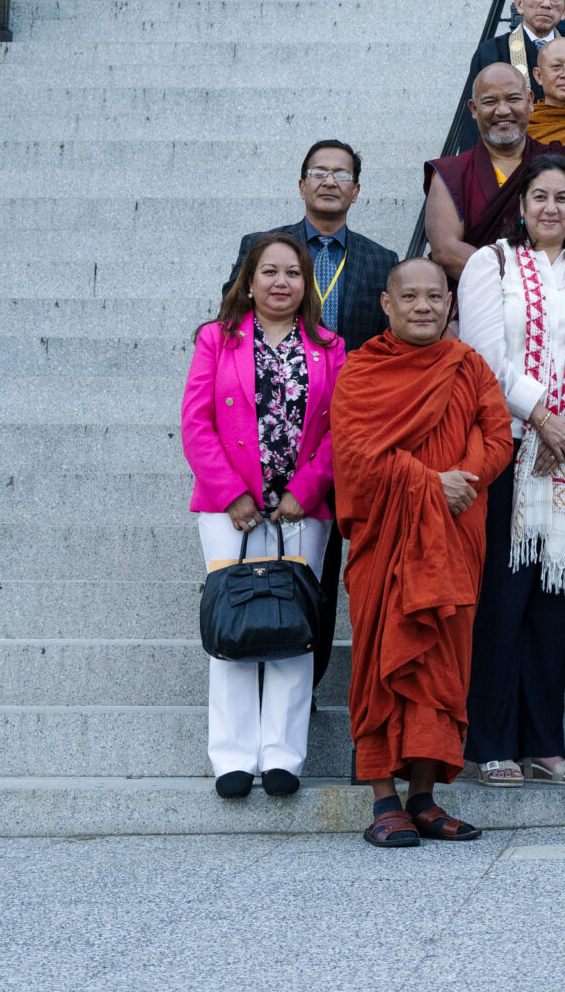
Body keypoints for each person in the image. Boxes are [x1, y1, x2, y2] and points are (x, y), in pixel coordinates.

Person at [332, 259, 513, 848]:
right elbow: (356, 455)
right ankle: (384, 799)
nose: (423, 307)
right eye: (409, 297)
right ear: (387, 304)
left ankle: (426, 799)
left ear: (450, 303)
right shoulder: (361, 371)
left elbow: (498, 435)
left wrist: (466, 478)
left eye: (435, 297)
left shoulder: (469, 365)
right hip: (386, 541)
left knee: (442, 664)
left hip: (455, 536)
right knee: (383, 659)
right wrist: (431, 482)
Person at [454, 154, 565, 787]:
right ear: (520, 205)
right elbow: (484, 358)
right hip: (507, 450)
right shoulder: (489, 263)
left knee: (556, 601)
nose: (550, 208)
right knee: (503, 599)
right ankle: (493, 740)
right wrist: (544, 417)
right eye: (539, 197)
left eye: (564, 198)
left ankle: (545, 740)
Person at [184, 232, 345, 800]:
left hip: (303, 509)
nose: (282, 282)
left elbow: (338, 432)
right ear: (248, 282)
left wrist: (307, 487)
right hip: (229, 509)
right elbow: (196, 424)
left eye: (294, 273)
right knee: (233, 622)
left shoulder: (331, 345)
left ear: (308, 284)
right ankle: (230, 757)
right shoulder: (216, 339)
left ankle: (282, 756)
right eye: (270, 272)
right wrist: (232, 492)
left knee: (292, 627)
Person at [425, 63, 565, 288]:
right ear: (473, 109)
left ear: (530, 102)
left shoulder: (560, 160)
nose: (502, 110)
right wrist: (520, 283)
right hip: (477, 301)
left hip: (554, 298)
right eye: (490, 101)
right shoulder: (451, 173)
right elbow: (446, 250)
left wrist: (543, 285)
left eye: (513, 99)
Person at [226, 139, 395, 351]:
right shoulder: (260, 247)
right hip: (277, 376)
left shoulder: (382, 260)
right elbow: (232, 315)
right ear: (302, 187)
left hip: (353, 379)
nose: (330, 182)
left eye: (341, 175)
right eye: (319, 173)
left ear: (355, 191)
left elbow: (390, 336)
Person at [457, 0, 565, 148]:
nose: (546, 3)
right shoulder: (492, 52)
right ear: (519, 3)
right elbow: (474, 117)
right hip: (508, 155)